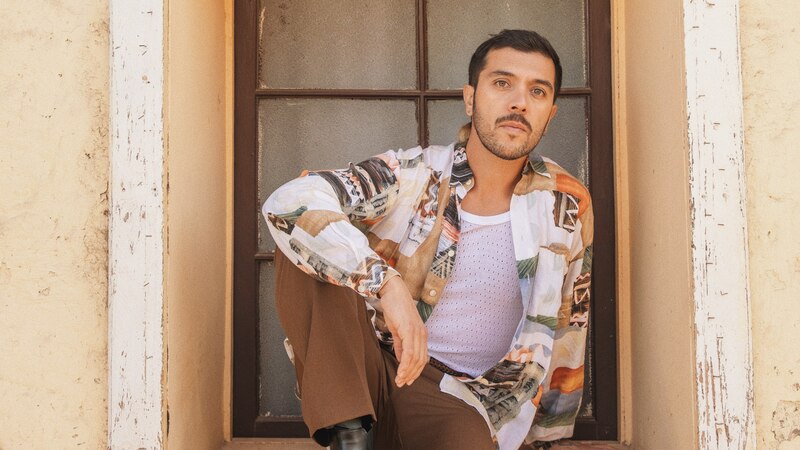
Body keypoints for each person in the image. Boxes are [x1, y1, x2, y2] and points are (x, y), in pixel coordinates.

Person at [263, 29, 593, 450]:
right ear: (471, 98)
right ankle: (348, 439)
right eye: (502, 83)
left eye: (538, 91)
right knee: (308, 241)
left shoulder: (565, 205)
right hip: (373, 372)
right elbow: (288, 202)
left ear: (550, 113)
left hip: (462, 402)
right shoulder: (410, 175)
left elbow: (569, 327)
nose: (519, 102)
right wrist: (388, 286)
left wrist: (550, 441)